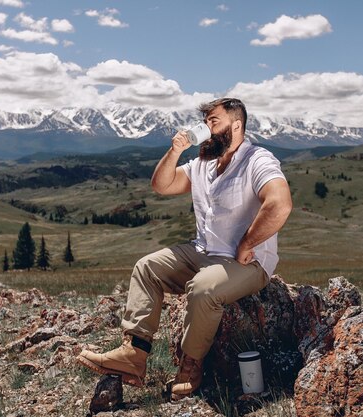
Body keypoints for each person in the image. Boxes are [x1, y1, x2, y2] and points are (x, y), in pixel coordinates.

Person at [77, 97, 292, 400]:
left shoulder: (258, 160)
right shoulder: (204, 163)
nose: (207, 128)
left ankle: (191, 367)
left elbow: (280, 205)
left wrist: (248, 242)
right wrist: (175, 150)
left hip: (246, 263)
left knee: (203, 288)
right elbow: (162, 186)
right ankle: (134, 355)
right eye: (205, 122)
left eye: (214, 122)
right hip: (202, 251)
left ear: (237, 125)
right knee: (147, 267)